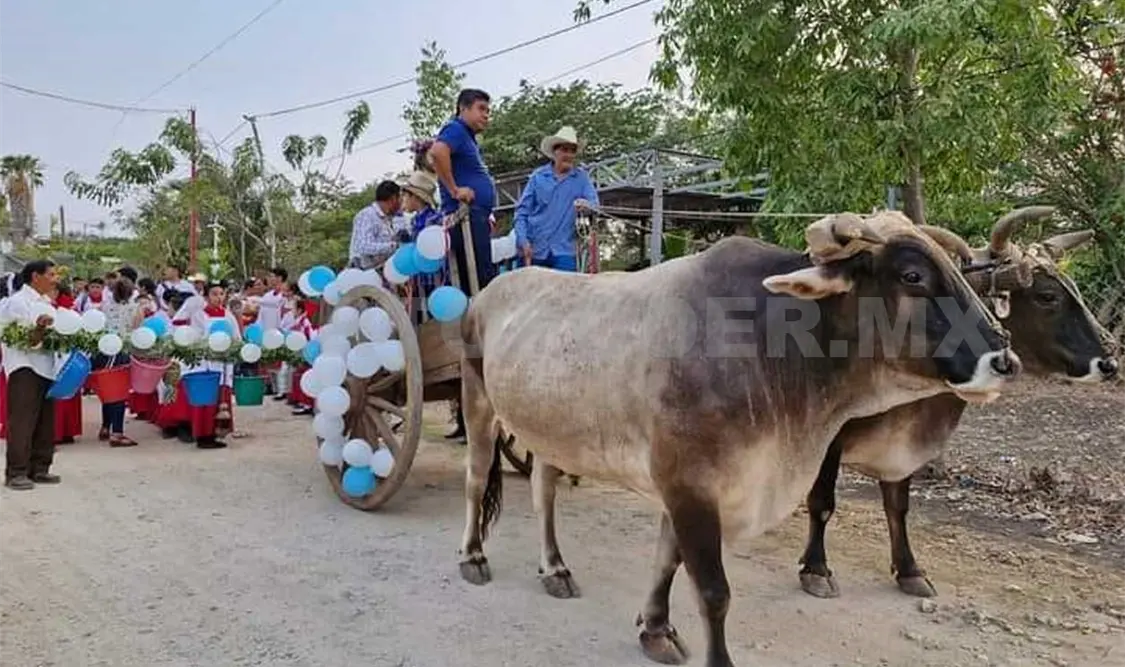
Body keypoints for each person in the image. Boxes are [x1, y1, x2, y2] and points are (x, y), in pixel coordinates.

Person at [427, 88, 497, 295]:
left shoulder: (467, 137)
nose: (486, 115)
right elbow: (437, 152)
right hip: (465, 217)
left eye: (488, 111)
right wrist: (454, 190)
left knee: (481, 278)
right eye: (481, 109)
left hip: (476, 216)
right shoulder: (455, 129)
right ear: (463, 109)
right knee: (480, 282)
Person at [2, 260, 61, 490]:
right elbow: (21, 338)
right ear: (36, 276)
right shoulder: (17, 302)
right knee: (22, 421)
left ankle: (40, 467)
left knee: (45, 421)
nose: (55, 279)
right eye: (51, 274)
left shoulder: (47, 302)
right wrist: (39, 329)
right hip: (24, 366)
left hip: (46, 366)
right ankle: (16, 471)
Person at [514, 126, 599, 271]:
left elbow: (595, 206)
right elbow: (522, 212)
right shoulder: (537, 177)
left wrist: (586, 206)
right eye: (565, 150)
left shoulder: (581, 178)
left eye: (572, 151)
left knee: (567, 285)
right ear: (555, 152)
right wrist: (522, 240)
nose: (569, 155)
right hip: (534, 248)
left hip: (564, 250)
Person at [96, 274, 143, 447]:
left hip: (103, 350)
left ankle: (105, 426)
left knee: (107, 391)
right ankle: (117, 432)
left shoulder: (104, 306)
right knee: (119, 394)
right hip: (122, 352)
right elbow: (138, 331)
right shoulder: (136, 308)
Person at [348, 180, 408, 270]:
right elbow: (363, 246)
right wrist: (394, 246)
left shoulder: (388, 218)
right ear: (393, 199)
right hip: (364, 273)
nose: (401, 203)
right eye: (400, 198)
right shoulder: (367, 215)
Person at [51, 284, 84, 445]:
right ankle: (66, 431)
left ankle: (58, 431)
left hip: (59, 355)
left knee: (59, 392)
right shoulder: (72, 309)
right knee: (67, 392)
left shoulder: (57, 310)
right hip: (68, 356)